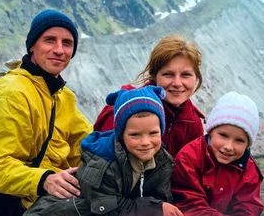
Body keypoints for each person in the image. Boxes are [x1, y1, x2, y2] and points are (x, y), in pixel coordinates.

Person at [0, 9, 93, 213]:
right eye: (49, 40)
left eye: (67, 43)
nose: (59, 50)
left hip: (53, 200)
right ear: (32, 46)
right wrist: (45, 180)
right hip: (20, 205)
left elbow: (87, 149)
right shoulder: (11, 93)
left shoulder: (62, 96)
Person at [24, 86, 184, 216]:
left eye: (153, 133)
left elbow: (161, 200)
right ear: (121, 134)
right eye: (135, 135)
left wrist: (160, 208)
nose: (145, 142)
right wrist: (154, 209)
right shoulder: (103, 164)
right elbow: (107, 209)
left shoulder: (162, 161)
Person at [94, 35, 205, 157]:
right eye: (168, 74)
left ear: (196, 78)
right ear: (155, 76)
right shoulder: (126, 108)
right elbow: (101, 162)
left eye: (186, 75)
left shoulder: (193, 121)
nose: (177, 83)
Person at [171, 92, 264, 216]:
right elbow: (190, 204)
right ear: (211, 131)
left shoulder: (249, 171)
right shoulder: (188, 157)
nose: (228, 147)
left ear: (248, 145)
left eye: (239, 140)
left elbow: (248, 207)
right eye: (223, 135)